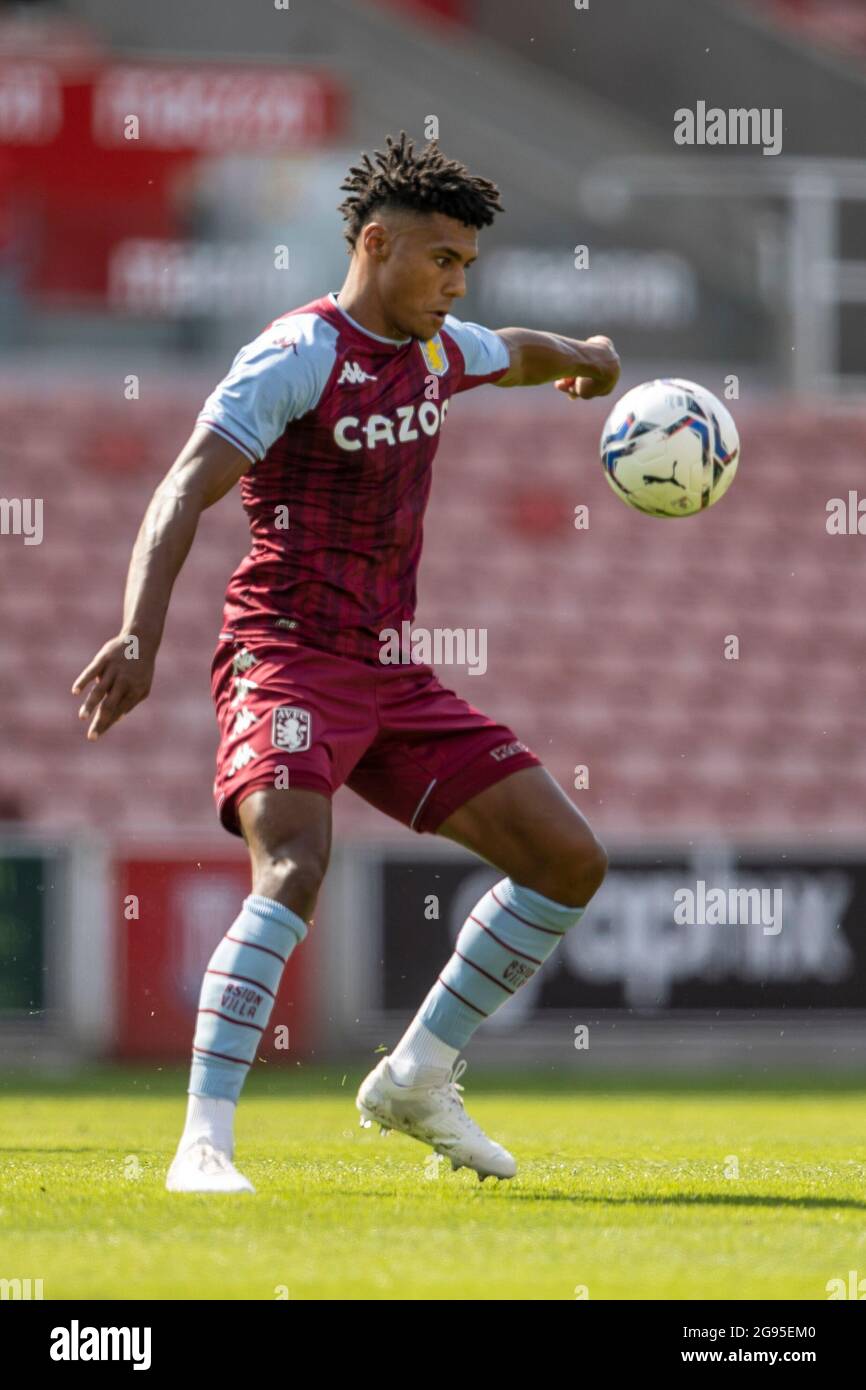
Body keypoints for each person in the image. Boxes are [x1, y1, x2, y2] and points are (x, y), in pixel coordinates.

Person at [72, 132, 620, 1192]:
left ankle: (415, 1074)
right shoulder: (295, 354)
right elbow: (182, 487)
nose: (457, 282)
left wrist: (590, 357)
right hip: (284, 657)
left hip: (389, 672)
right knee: (293, 867)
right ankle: (203, 1144)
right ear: (376, 244)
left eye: (466, 263)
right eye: (440, 260)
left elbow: (520, 349)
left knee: (567, 860)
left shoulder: (441, 348)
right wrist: (139, 634)